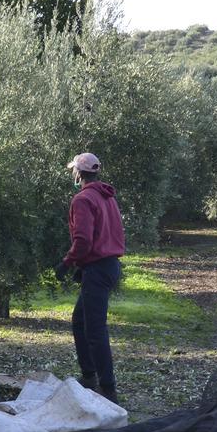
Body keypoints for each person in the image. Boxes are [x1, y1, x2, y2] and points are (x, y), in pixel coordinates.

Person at [56, 153, 126, 404]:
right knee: (79, 321)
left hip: (97, 268)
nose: (72, 174)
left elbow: (83, 240)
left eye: (73, 170)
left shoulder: (83, 199)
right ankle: (89, 376)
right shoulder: (107, 197)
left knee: (95, 329)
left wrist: (67, 262)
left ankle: (108, 390)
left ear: (79, 173)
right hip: (107, 266)